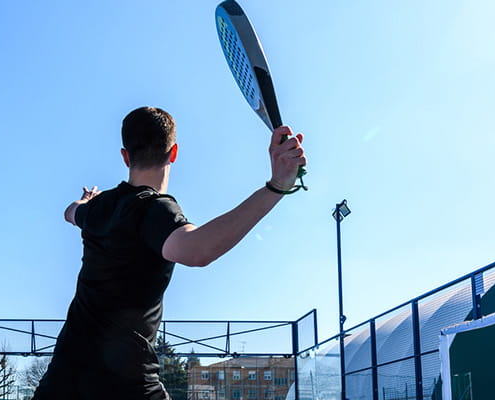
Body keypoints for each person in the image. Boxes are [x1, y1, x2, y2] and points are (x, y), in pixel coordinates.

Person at [31, 106, 307, 399]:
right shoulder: (155, 210)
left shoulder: (99, 208)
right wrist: (276, 186)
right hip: (124, 382)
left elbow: (70, 212)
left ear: (125, 156)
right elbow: (198, 250)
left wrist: (86, 199)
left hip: (64, 377)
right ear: (173, 152)